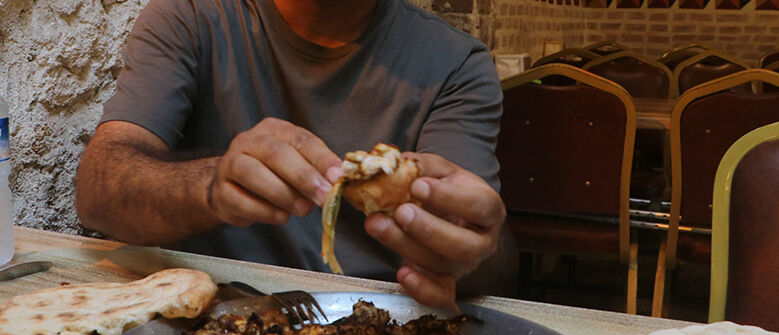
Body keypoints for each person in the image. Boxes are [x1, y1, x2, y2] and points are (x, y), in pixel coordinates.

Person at [75, 0, 506, 309]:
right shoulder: (189, 16)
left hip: (383, 332)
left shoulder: (456, 63)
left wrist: (470, 250)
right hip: (213, 321)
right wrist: (211, 185)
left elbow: (483, 247)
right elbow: (98, 189)